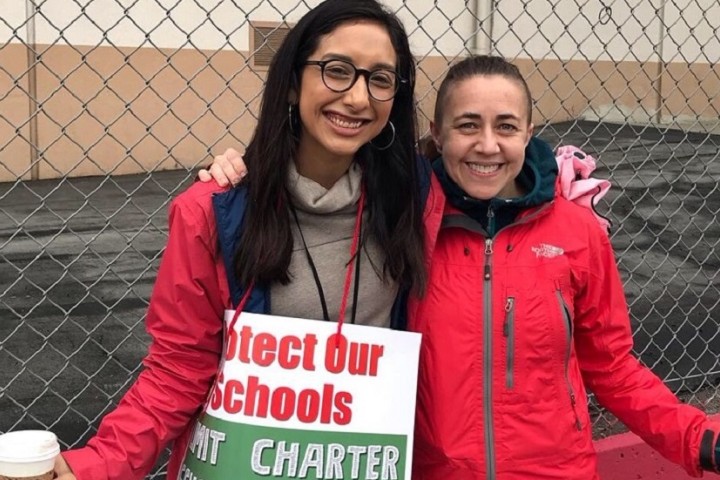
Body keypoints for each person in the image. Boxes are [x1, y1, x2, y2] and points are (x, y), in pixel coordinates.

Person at [203, 55, 720, 478]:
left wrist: (699, 440)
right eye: (467, 125)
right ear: (438, 133)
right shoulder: (403, 221)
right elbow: (322, 185)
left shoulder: (577, 234)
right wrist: (248, 172)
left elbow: (614, 367)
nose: (487, 145)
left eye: (506, 127)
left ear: (529, 133)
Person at [52, 1, 440, 479]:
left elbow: (495, 171)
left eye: (380, 79)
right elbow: (178, 368)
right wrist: (95, 465)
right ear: (293, 83)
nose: (359, 98)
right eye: (337, 70)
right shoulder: (213, 213)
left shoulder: (420, 201)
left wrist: (560, 176)